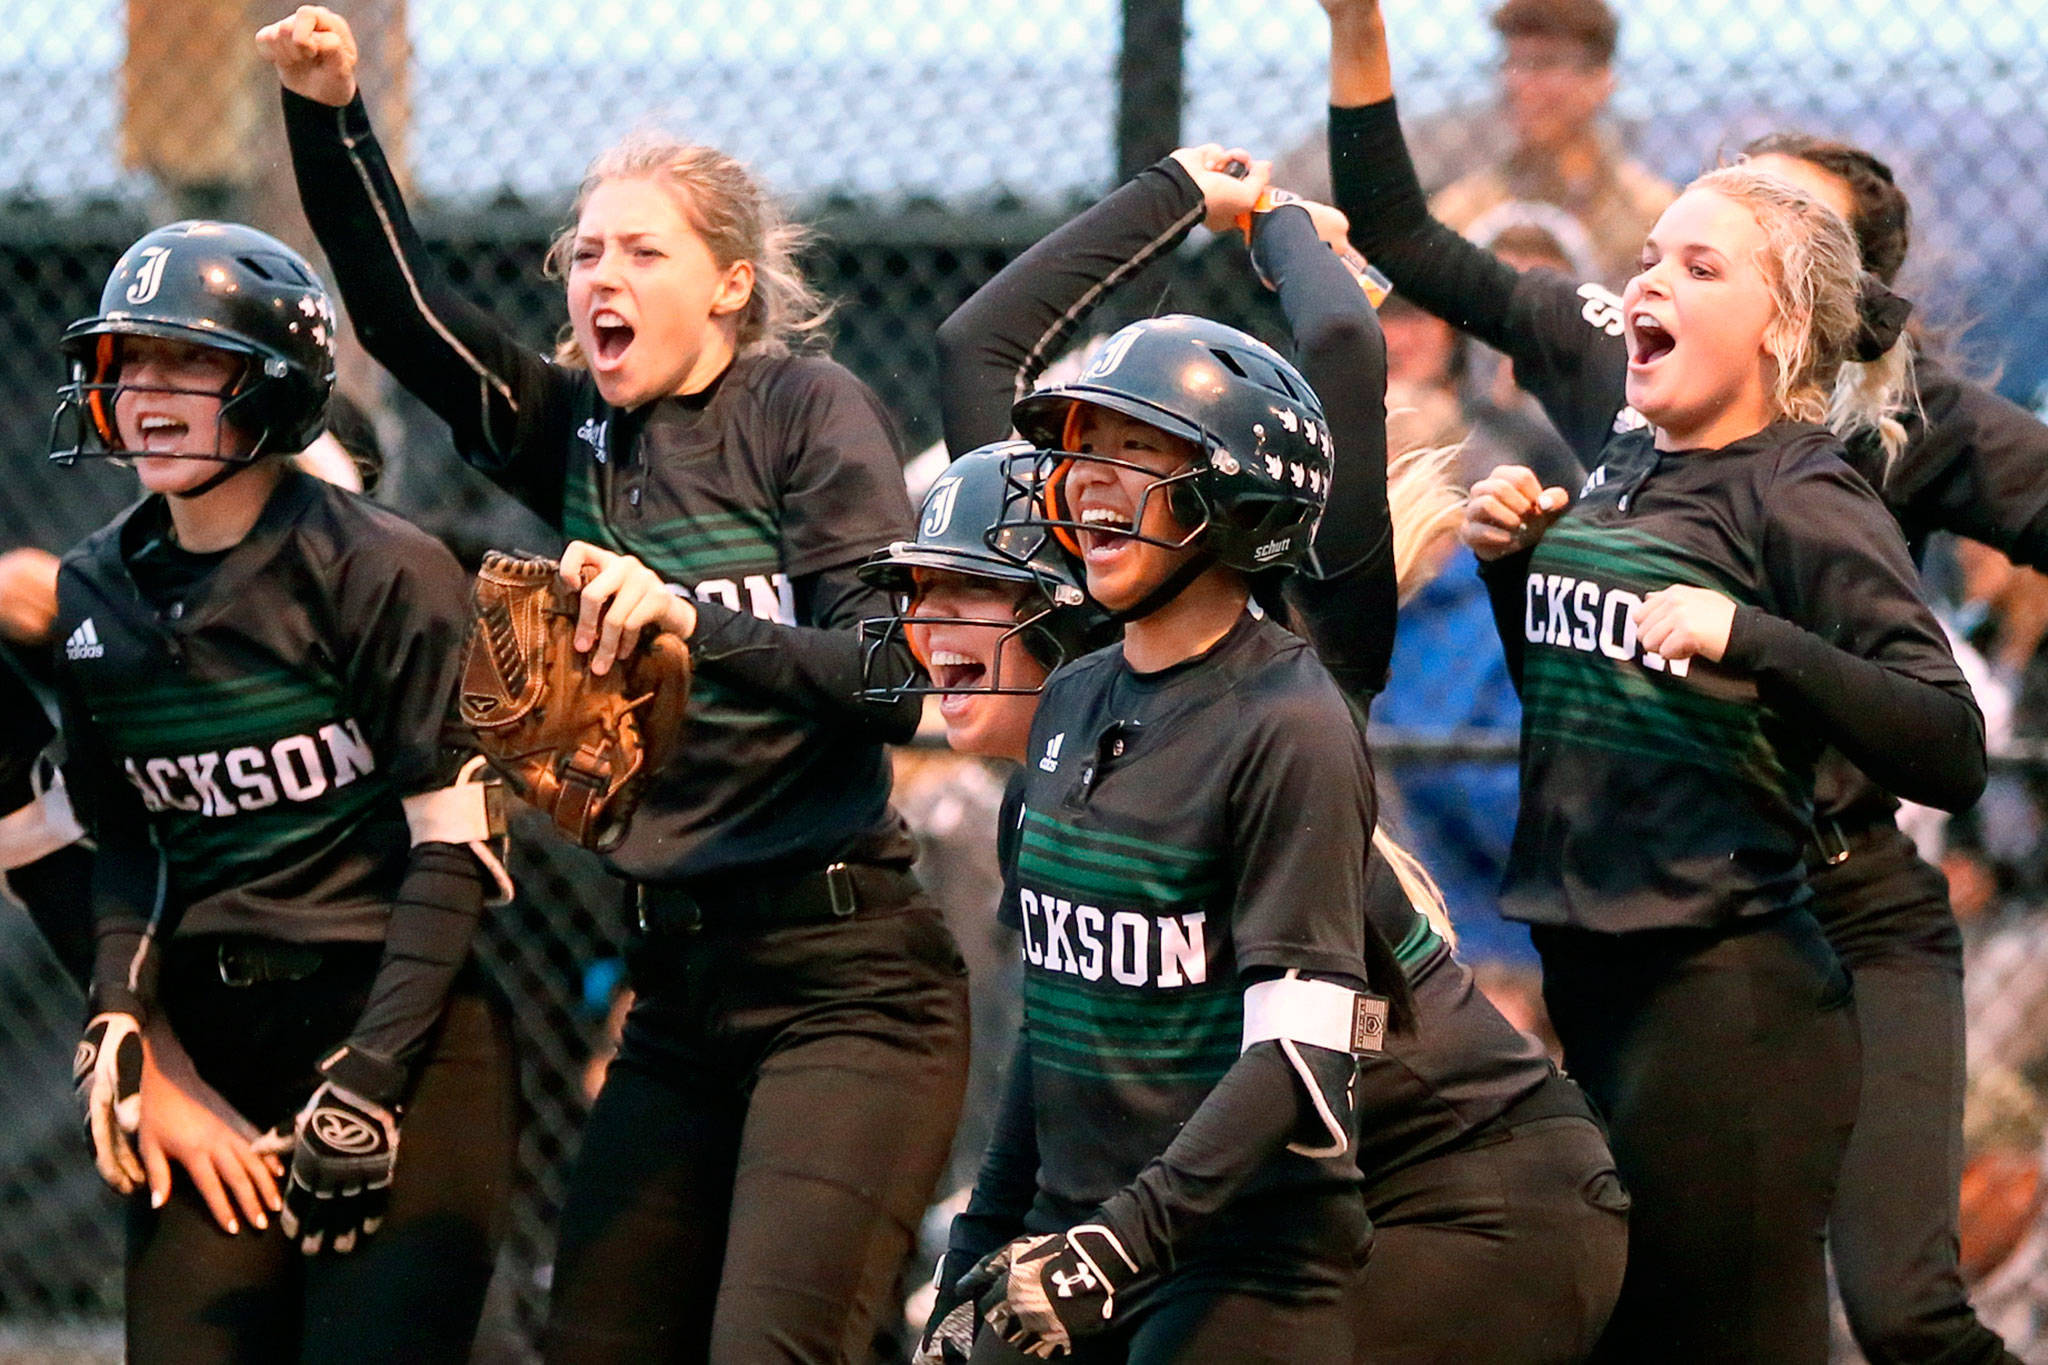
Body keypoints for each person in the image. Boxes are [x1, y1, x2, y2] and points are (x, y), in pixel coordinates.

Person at [1323, 5, 2048, 1358]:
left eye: (1733, 243)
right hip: (1643, 908)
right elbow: (1405, 234)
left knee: (1894, 1305)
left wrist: (1751, 633)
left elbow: (1935, 727)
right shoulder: (1635, 395)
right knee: (1643, 1299)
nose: (1658, 271)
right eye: (1670, 245)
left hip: (1829, 901)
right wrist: (1358, 31)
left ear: (1815, 299)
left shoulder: (1882, 439)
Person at [258, 8, 971, 1360]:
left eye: (644, 250)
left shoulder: (806, 412)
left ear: (729, 286)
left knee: (775, 1343)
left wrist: (691, 623)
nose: (603, 274)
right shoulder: (579, 432)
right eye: (585, 251)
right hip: (676, 982)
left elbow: (891, 678)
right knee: (593, 1337)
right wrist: (327, 111)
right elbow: (402, 314)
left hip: (847, 978)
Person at [924, 146, 1625, 1363]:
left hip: (1449, 1183)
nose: (936, 625)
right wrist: (1177, 191)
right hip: (1245, 1188)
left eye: (962, 591)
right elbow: (1055, 1062)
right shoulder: (1092, 695)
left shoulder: (1290, 685)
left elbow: (1339, 360)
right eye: (1073, 469)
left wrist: (1277, 224)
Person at [48, 219, 515, 1363]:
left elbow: (452, 849)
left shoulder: (379, 568)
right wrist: (119, 1003)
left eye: (189, 362)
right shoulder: (94, 587)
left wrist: (371, 1075)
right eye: (128, 361)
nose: (146, 392)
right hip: (215, 1032)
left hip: (398, 1024)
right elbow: (126, 842)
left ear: (273, 385)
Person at [1427, 0, 1673, 288]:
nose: (1519, 82)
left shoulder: (1655, 217)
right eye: (1512, 62)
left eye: (1544, 63)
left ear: (1601, 79)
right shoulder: (1460, 212)